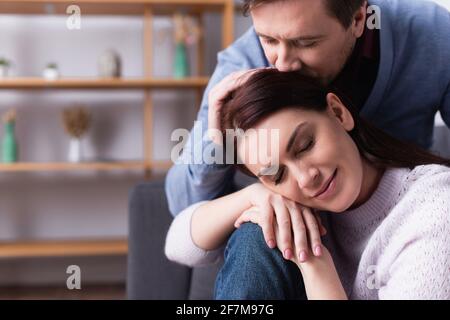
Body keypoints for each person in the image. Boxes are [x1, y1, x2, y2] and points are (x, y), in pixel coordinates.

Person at [165, 0, 450, 299]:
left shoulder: (428, 34)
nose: (283, 64)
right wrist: (221, 145)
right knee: (257, 232)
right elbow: (182, 220)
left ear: (357, 19)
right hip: (283, 241)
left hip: (411, 231)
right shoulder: (241, 67)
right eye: (268, 40)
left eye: (306, 42)